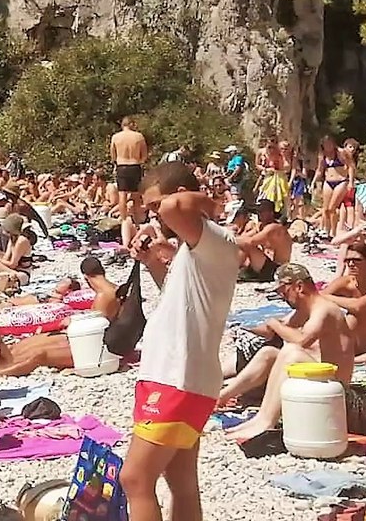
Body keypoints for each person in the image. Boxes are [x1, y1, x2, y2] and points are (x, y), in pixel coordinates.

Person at [120, 161, 239, 521]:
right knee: (181, 479)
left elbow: (176, 206)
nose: (156, 216)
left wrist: (210, 200)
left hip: (176, 378)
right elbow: (180, 301)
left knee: (135, 478)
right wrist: (153, 262)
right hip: (181, 376)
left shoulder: (214, 238)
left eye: (156, 206)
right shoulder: (196, 248)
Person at [227, 264, 366, 440]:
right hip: (322, 378)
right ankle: (225, 397)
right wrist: (244, 328)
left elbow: (302, 340)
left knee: (292, 353)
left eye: (284, 292)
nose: (282, 297)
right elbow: (277, 328)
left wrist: (274, 324)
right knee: (268, 353)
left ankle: (266, 421)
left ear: (299, 286)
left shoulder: (324, 309)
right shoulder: (307, 309)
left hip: (336, 388)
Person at [0, 256, 120, 377]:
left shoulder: (103, 296)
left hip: (94, 349)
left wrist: (71, 322)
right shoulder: (111, 290)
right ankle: (2, 362)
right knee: (33, 341)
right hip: (91, 341)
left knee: (38, 354)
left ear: (86, 277)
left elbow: (95, 332)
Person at [110, 117, 149, 223]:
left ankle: (124, 220)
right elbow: (144, 155)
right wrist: (139, 161)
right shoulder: (139, 136)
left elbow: (113, 155)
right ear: (131, 124)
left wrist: (117, 162)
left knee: (122, 195)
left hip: (121, 166)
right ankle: (137, 221)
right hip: (135, 165)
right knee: (136, 195)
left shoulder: (115, 137)